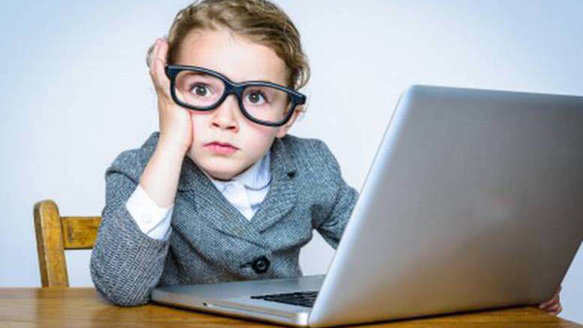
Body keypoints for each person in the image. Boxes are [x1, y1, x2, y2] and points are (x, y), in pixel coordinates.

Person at [89, 0, 562, 314]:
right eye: (199, 89)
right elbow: (122, 287)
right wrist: (172, 138)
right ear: (168, 90)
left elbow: (390, 249)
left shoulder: (311, 167)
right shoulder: (140, 171)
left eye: (255, 97)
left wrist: (501, 285)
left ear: (289, 116)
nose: (225, 118)